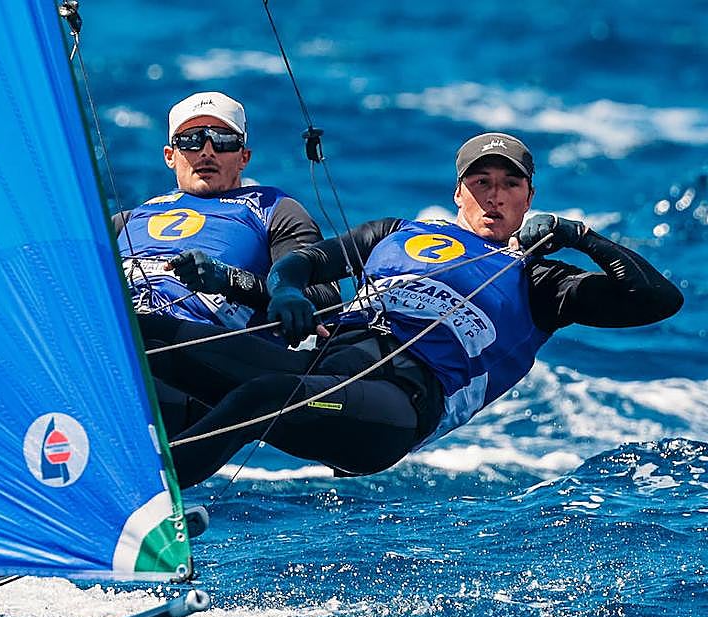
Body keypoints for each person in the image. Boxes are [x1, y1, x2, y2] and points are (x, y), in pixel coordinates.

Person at [147, 131, 684, 487]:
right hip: (319, 372)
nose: (494, 196)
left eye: (509, 184)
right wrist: (284, 291)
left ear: (528, 196)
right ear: (459, 193)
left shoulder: (541, 281)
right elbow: (304, 265)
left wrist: (580, 236)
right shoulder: (398, 233)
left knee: (261, 396)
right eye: (481, 183)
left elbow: (658, 300)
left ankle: (149, 506)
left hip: (393, 410)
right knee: (146, 334)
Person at [116, 91, 335, 336]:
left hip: (203, 347)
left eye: (223, 140)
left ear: (244, 157)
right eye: (191, 140)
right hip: (116, 329)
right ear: (170, 156)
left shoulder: (274, 208)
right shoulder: (129, 218)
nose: (207, 152)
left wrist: (229, 279)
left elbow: (324, 297)